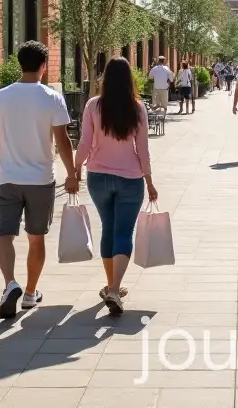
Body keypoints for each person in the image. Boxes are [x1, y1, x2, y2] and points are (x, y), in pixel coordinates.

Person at [0, 41, 79, 319]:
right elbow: (62, 140)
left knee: (4, 235)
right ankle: (29, 293)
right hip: (40, 179)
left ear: (20, 65)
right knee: (36, 239)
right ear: (43, 66)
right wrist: (72, 174)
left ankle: (9, 284)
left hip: (6, 179)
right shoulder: (52, 98)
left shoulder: (2, 96)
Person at [74, 57, 158, 317]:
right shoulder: (137, 108)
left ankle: (111, 285)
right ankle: (114, 288)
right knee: (123, 232)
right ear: (130, 79)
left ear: (105, 79)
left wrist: (75, 171)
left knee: (107, 229)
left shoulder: (93, 105)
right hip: (130, 178)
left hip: (98, 176)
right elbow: (142, 149)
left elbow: (84, 143)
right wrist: (149, 180)